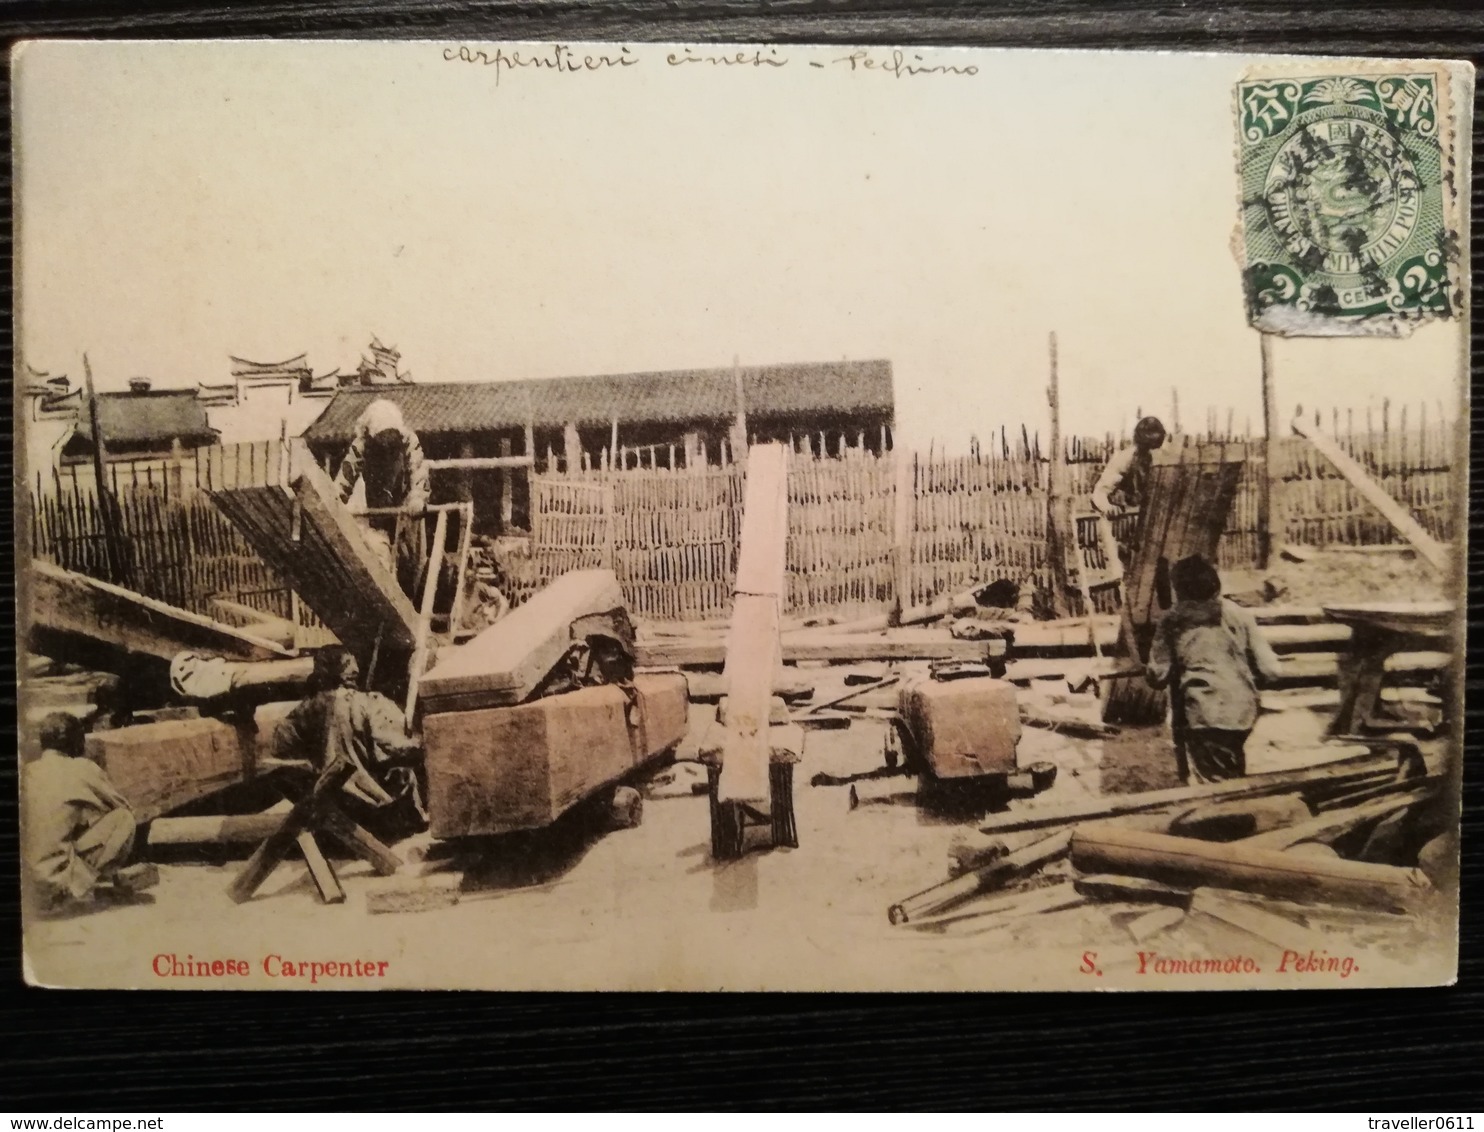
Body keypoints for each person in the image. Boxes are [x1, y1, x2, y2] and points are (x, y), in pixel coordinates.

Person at [1145, 555, 1283, 783]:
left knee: (1216, 785)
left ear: (1179, 588)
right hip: (1242, 712)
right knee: (1231, 771)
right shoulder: (1240, 614)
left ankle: (1231, 814)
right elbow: (1271, 670)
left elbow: (1158, 675)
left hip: (1206, 713)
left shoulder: (1172, 620)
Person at [271, 647, 425, 833]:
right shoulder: (367, 702)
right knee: (403, 770)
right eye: (350, 666)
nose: (357, 671)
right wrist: (418, 744)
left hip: (329, 799)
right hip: (370, 803)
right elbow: (395, 746)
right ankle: (416, 819)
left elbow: (281, 746)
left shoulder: (304, 708)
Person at [22, 712, 155, 910]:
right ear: (76, 742)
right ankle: (77, 889)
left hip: (26, 884)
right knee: (123, 819)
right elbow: (122, 807)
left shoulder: (27, 770)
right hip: (57, 883)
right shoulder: (82, 768)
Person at [333, 398, 431, 598]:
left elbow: (419, 472)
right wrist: (334, 501)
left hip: (405, 509)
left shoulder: (408, 441)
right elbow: (344, 479)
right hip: (378, 506)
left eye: (390, 435)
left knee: (411, 560)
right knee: (378, 553)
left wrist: (416, 498)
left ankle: (410, 605)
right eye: (381, 437)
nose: (386, 441)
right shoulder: (362, 445)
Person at [1090, 415, 1167, 572]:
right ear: (1139, 443)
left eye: (1156, 445)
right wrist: (1108, 507)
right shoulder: (1126, 459)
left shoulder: (1168, 457)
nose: (1152, 451)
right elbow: (1100, 492)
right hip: (1133, 525)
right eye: (1147, 446)